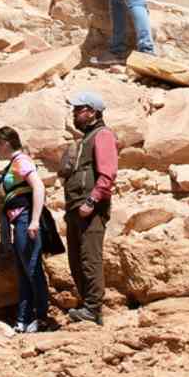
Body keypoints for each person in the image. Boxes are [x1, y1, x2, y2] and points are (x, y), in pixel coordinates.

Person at [63, 91, 118, 325]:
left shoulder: (102, 135)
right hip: (75, 207)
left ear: (93, 112)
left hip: (90, 208)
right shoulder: (85, 138)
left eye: (79, 109)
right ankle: (87, 306)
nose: (75, 114)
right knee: (75, 259)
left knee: (89, 258)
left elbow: (108, 174)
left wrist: (91, 201)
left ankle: (93, 308)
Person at [0, 126, 52, 334]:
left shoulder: (22, 161)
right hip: (18, 222)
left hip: (26, 219)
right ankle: (23, 319)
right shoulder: (13, 164)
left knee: (33, 269)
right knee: (24, 272)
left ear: (5, 144)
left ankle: (41, 318)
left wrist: (34, 220)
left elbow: (39, 187)